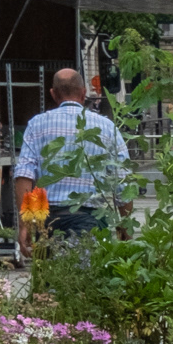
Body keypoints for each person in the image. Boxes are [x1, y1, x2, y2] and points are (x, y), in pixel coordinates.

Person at [14, 69, 132, 254]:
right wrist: (124, 226)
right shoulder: (107, 127)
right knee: (88, 271)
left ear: (53, 94)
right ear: (84, 93)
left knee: (48, 271)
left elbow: (24, 175)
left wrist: (25, 225)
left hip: (48, 222)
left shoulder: (36, 124)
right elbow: (122, 180)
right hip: (91, 221)